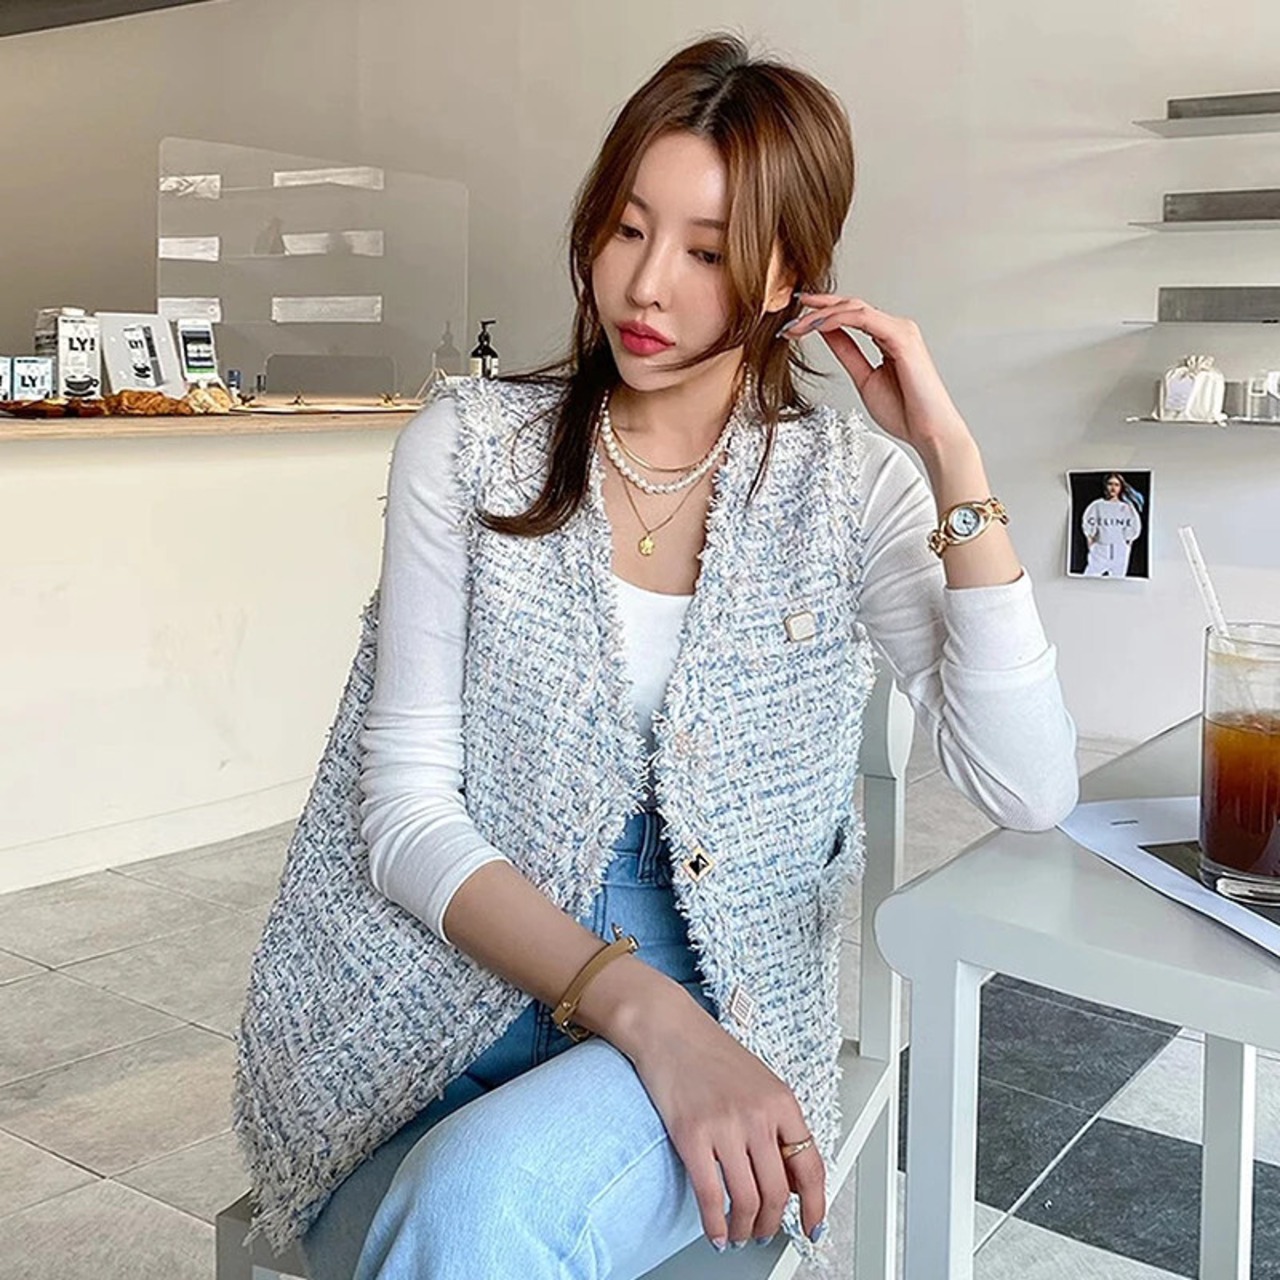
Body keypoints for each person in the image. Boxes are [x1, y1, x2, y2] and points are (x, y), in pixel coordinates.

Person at [232, 32, 1079, 1280]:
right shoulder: (469, 446)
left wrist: (949, 452)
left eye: (706, 251)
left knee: (469, 1211)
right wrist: (635, 1005)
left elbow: (1028, 784)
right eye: (627, 228)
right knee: (445, 1218)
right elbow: (403, 810)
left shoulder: (851, 490)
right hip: (429, 982)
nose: (644, 285)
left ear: (786, 275)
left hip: (719, 996)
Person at [1081, 472, 1142, 577]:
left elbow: (1133, 528)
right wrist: (1092, 546)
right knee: (1089, 577)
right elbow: (1089, 527)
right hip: (1100, 549)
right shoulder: (1096, 505)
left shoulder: (1127, 508)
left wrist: (1126, 546)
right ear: (1105, 485)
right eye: (1110, 484)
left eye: (1116, 485)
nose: (1113, 488)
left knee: (1118, 581)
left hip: (1120, 550)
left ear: (1120, 487)